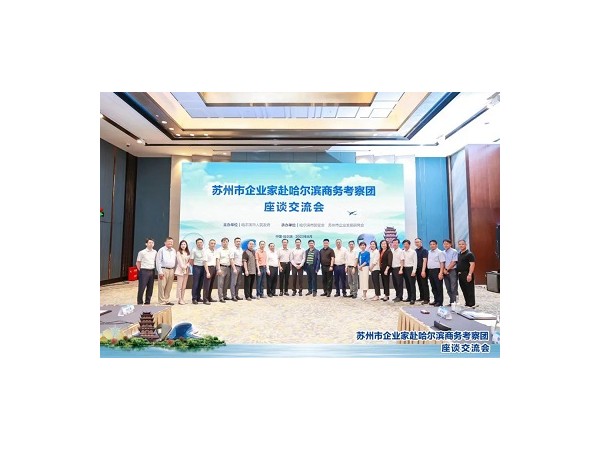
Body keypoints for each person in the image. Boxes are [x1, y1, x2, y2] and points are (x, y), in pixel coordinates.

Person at [155, 237, 177, 305]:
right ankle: (161, 300)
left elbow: (175, 261)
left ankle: (166, 300)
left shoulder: (173, 250)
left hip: (171, 270)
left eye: (171, 242)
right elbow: (158, 261)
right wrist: (160, 272)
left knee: (169, 286)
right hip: (163, 270)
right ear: (165, 242)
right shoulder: (161, 250)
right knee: (162, 286)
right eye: (169, 241)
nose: (170, 243)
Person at [136, 238, 157, 305]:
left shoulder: (155, 252)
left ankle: (147, 302)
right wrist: (141, 270)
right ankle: (140, 302)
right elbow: (138, 262)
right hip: (144, 271)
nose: (151, 244)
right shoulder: (142, 252)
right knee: (142, 288)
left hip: (152, 271)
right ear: (146, 244)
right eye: (149, 242)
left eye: (152, 243)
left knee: (150, 288)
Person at [457, 239, 476, 307]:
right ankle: (467, 303)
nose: (461, 245)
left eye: (462, 244)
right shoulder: (459, 254)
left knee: (469, 289)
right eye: (459, 244)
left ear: (466, 245)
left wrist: (469, 274)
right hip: (460, 274)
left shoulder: (469, 254)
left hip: (467, 274)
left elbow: (472, 264)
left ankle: (471, 304)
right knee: (464, 289)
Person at [426, 240, 446, 306]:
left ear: (436, 245)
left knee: (438, 287)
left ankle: (440, 302)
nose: (432, 245)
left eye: (433, 244)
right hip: (430, 271)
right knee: (433, 287)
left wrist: (441, 273)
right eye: (431, 244)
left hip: (437, 270)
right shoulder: (429, 252)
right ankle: (436, 300)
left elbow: (442, 263)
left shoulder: (440, 252)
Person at [442, 239, 459, 306]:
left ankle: (454, 302)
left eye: (447, 244)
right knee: (448, 287)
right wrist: (444, 270)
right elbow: (442, 262)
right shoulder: (443, 252)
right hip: (445, 271)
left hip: (452, 271)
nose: (445, 245)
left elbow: (454, 262)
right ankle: (452, 301)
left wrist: (446, 269)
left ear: (450, 244)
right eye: (444, 244)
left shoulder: (454, 251)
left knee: (453, 287)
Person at [189, 238, 205, 304]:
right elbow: (191, 261)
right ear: (196, 243)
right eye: (198, 242)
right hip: (196, 267)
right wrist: (194, 266)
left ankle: (198, 297)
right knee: (195, 283)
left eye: (201, 242)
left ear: (202, 243)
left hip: (203, 267)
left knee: (201, 283)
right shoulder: (194, 250)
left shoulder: (204, 250)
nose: (199, 243)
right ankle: (194, 298)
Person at [217, 237, 233, 303]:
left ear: (228, 243)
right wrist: (218, 269)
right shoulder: (219, 250)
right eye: (223, 242)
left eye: (226, 242)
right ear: (221, 243)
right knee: (220, 283)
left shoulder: (230, 250)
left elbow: (231, 259)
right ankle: (221, 297)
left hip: (228, 268)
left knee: (226, 283)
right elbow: (217, 260)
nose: (225, 243)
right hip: (221, 267)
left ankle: (225, 296)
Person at [174, 240, 191, 304]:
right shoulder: (178, 252)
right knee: (179, 286)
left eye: (184, 244)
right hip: (180, 271)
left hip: (186, 271)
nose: (183, 245)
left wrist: (187, 265)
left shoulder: (188, 252)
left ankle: (182, 299)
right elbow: (180, 263)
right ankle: (180, 299)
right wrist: (185, 266)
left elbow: (189, 261)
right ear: (180, 245)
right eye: (182, 244)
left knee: (184, 286)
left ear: (186, 245)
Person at [202, 239, 218, 305]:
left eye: (214, 243)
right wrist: (207, 272)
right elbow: (205, 262)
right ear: (209, 244)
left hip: (214, 268)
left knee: (211, 284)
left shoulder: (215, 251)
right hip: (208, 268)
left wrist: (217, 269)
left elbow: (216, 260)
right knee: (207, 285)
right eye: (211, 243)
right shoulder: (206, 251)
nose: (213, 245)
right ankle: (205, 299)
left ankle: (209, 297)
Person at [401, 239, 418, 304]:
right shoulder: (403, 252)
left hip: (411, 268)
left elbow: (415, 262)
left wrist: (414, 271)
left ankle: (413, 298)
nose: (405, 245)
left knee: (412, 284)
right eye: (404, 244)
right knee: (407, 284)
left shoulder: (413, 252)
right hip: (405, 269)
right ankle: (409, 297)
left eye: (406, 244)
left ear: (409, 244)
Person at [414, 238, 430, 305]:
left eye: (418, 242)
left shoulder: (424, 250)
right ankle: (422, 297)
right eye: (416, 242)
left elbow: (425, 261)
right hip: (417, 269)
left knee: (424, 284)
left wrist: (423, 271)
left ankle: (426, 299)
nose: (417, 243)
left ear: (421, 242)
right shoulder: (415, 251)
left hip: (423, 269)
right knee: (419, 283)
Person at [230, 237, 244, 301]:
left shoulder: (241, 249)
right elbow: (231, 259)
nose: (238, 242)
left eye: (239, 241)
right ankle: (233, 296)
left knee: (238, 282)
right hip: (235, 267)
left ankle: (236, 295)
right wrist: (234, 268)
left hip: (240, 267)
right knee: (233, 282)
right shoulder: (232, 249)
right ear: (234, 242)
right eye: (237, 241)